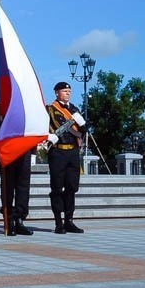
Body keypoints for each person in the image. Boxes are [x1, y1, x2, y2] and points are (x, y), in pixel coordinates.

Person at [0, 99, 33, 236]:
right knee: (8, 185)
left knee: (23, 185)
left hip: (24, 148)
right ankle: (9, 220)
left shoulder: (26, 103)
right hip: (7, 149)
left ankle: (20, 219)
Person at [45, 80, 86, 234]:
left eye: (69, 91)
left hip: (73, 152)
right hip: (58, 152)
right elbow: (42, 126)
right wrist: (49, 136)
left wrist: (82, 123)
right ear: (57, 93)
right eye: (64, 91)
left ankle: (69, 220)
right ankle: (58, 222)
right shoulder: (50, 109)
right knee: (57, 188)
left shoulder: (74, 109)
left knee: (71, 187)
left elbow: (84, 130)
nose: (67, 93)